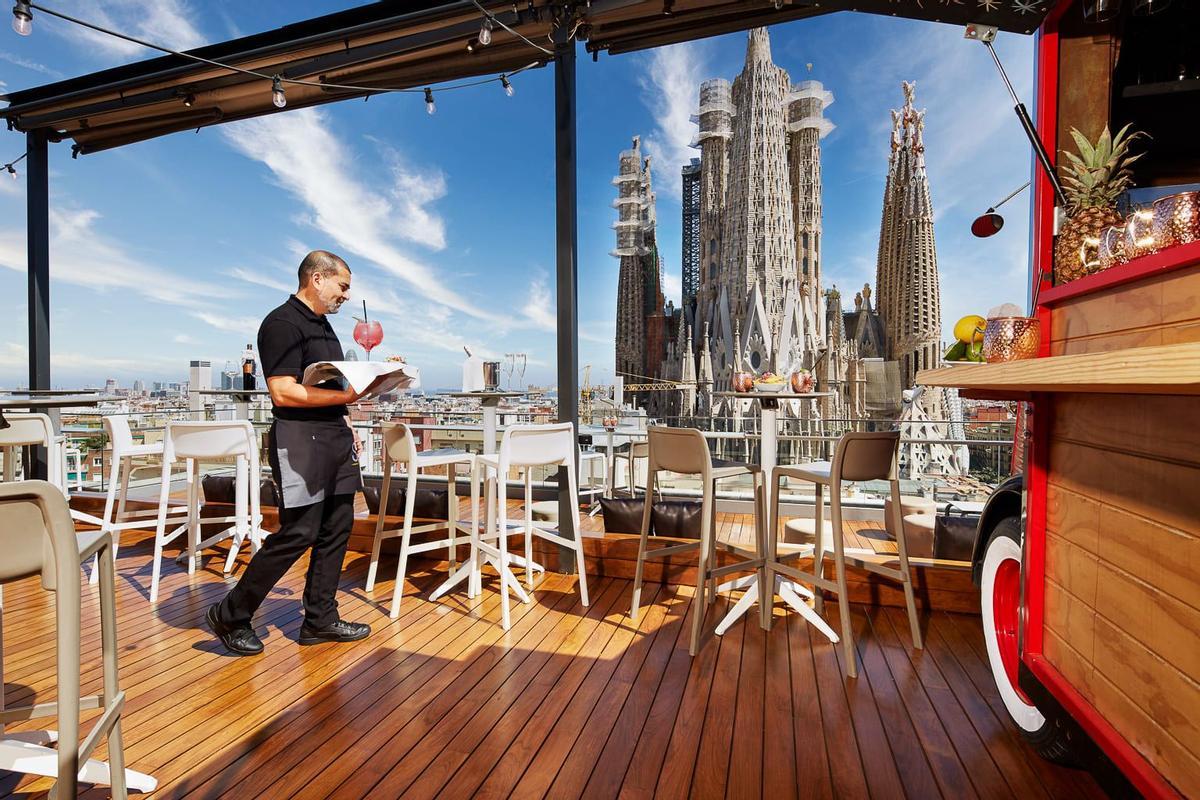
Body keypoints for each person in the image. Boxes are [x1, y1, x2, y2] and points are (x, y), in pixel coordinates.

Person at [207, 250, 371, 656]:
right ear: (317, 279)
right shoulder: (281, 323)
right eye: (342, 286)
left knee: (338, 527)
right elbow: (282, 390)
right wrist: (349, 395)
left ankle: (320, 619)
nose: (346, 295)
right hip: (300, 438)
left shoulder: (325, 329)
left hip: (333, 434)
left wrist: (346, 415)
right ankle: (231, 613)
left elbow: (328, 386)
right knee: (299, 530)